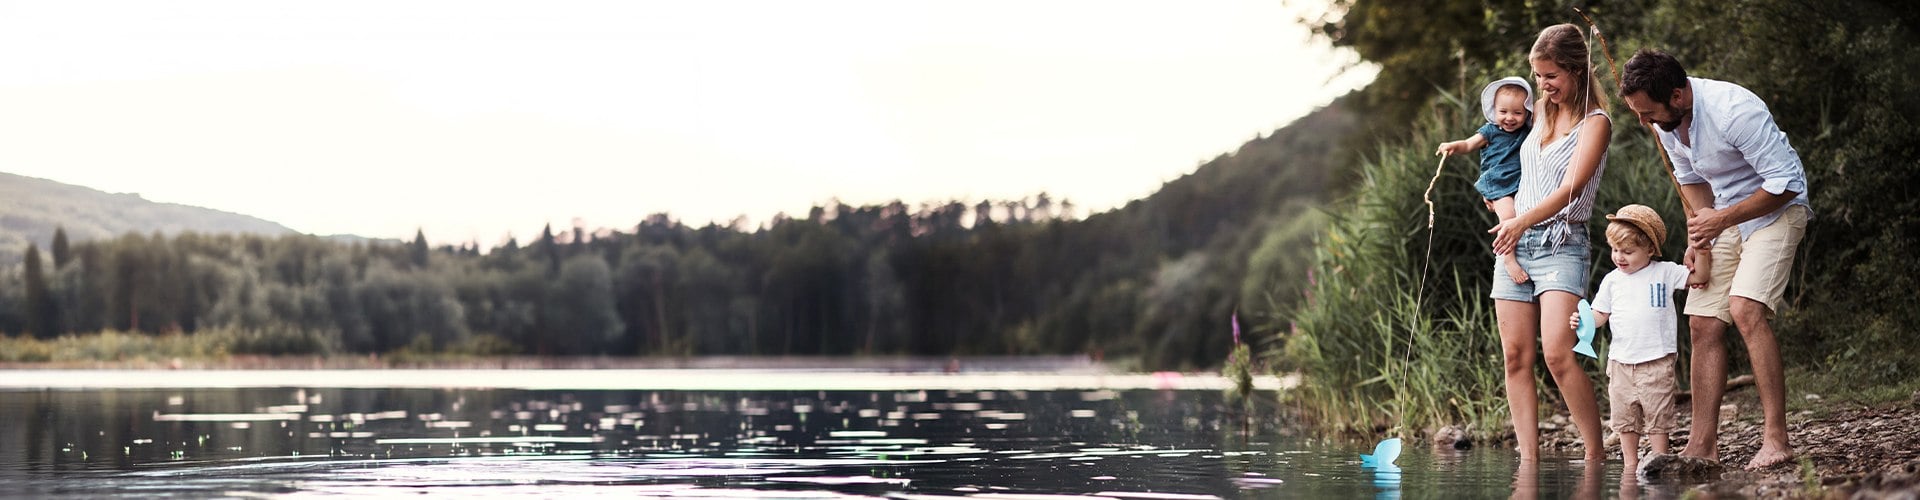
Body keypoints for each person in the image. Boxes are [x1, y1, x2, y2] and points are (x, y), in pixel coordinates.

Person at [1620, 48, 1811, 470]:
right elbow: (1692, 182)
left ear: (1677, 95)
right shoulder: (1666, 123)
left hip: (1778, 211)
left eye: (1648, 112)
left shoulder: (1733, 110)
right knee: (1703, 321)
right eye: (1637, 113)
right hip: (1725, 216)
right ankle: (1702, 446)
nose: (1644, 122)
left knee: (1744, 309)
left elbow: (1787, 183)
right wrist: (1699, 233)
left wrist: (1720, 219)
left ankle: (1776, 440)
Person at [1486, 23, 1612, 462]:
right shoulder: (1536, 110)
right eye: (1539, 76)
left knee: (1559, 354)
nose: (1543, 85)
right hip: (1515, 244)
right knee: (1515, 357)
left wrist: (1520, 222)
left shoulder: (1597, 123)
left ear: (1577, 70)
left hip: (1563, 242)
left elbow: (1572, 189)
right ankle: (1528, 462)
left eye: (1552, 75)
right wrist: (1503, 208)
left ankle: (1595, 456)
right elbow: (1499, 157)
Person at [1570, 204, 1687, 472]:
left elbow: (1698, 277)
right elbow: (1600, 314)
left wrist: (1700, 249)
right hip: (1621, 361)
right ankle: (1630, 464)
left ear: (1650, 249)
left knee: (1658, 414)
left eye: (1628, 251)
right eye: (1615, 250)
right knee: (1624, 417)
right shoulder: (1612, 280)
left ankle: (1659, 459)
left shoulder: (1664, 271)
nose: (1619, 257)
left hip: (1656, 359)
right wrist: (1583, 321)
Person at [1438, 77, 1536, 284]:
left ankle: (1527, 251)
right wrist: (1453, 146)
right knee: (1508, 217)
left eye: (1517, 113)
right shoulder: (1490, 130)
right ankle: (1508, 259)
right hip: (1498, 183)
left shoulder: (1527, 132)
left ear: (1527, 112)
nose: (1510, 118)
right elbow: (1468, 144)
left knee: (1525, 215)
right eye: (1503, 112)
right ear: (1494, 110)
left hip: (1521, 183)